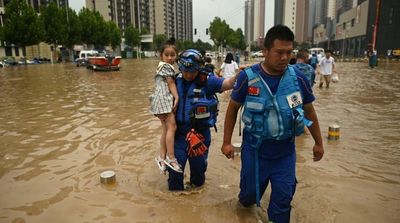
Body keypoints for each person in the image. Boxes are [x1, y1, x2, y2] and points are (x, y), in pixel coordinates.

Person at [220, 25, 324, 223]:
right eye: (279, 52)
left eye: (289, 52)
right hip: (254, 151)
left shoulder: (298, 79)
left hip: (285, 153)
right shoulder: (247, 78)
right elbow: (232, 109)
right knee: (248, 198)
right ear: (266, 51)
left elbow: (309, 110)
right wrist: (226, 142)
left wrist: (318, 142)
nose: (285, 57)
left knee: (283, 201)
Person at [168, 49, 238, 190]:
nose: (187, 75)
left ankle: (196, 191)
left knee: (198, 174)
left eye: (192, 72)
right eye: (184, 71)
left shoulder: (208, 81)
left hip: (200, 135)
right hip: (179, 135)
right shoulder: (174, 80)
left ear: (199, 69)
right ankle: (175, 200)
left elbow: (228, 83)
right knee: (175, 169)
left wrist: (240, 75)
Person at [149, 38, 183, 173]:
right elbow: (170, 83)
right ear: (161, 55)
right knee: (172, 127)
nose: (169, 58)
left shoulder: (159, 66)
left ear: (176, 55)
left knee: (165, 130)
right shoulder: (167, 67)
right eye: (167, 55)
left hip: (157, 102)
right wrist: (177, 96)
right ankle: (171, 157)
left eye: (172, 55)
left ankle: (161, 157)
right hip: (163, 101)